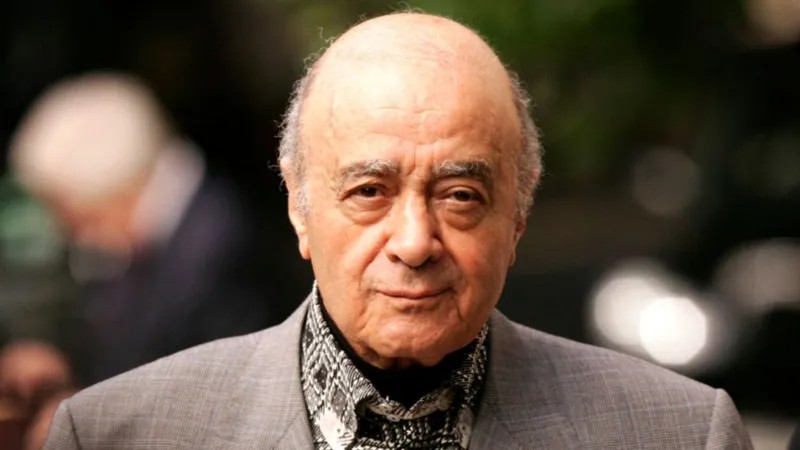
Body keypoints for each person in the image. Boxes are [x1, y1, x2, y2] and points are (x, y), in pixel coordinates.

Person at [42, 13, 753, 449]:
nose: (414, 242)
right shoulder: (116, 433)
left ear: (519, 216)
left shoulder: (680, 433)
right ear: (299, 207)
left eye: (461, 196)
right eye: (369, 192)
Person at [2, 73, 303, 449]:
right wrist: (53, 354)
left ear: (114, 190)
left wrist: (90, 418)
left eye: (71, 213)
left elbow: (226, 400)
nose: (72, 231)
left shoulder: (219, 244)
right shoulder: (155, 229)